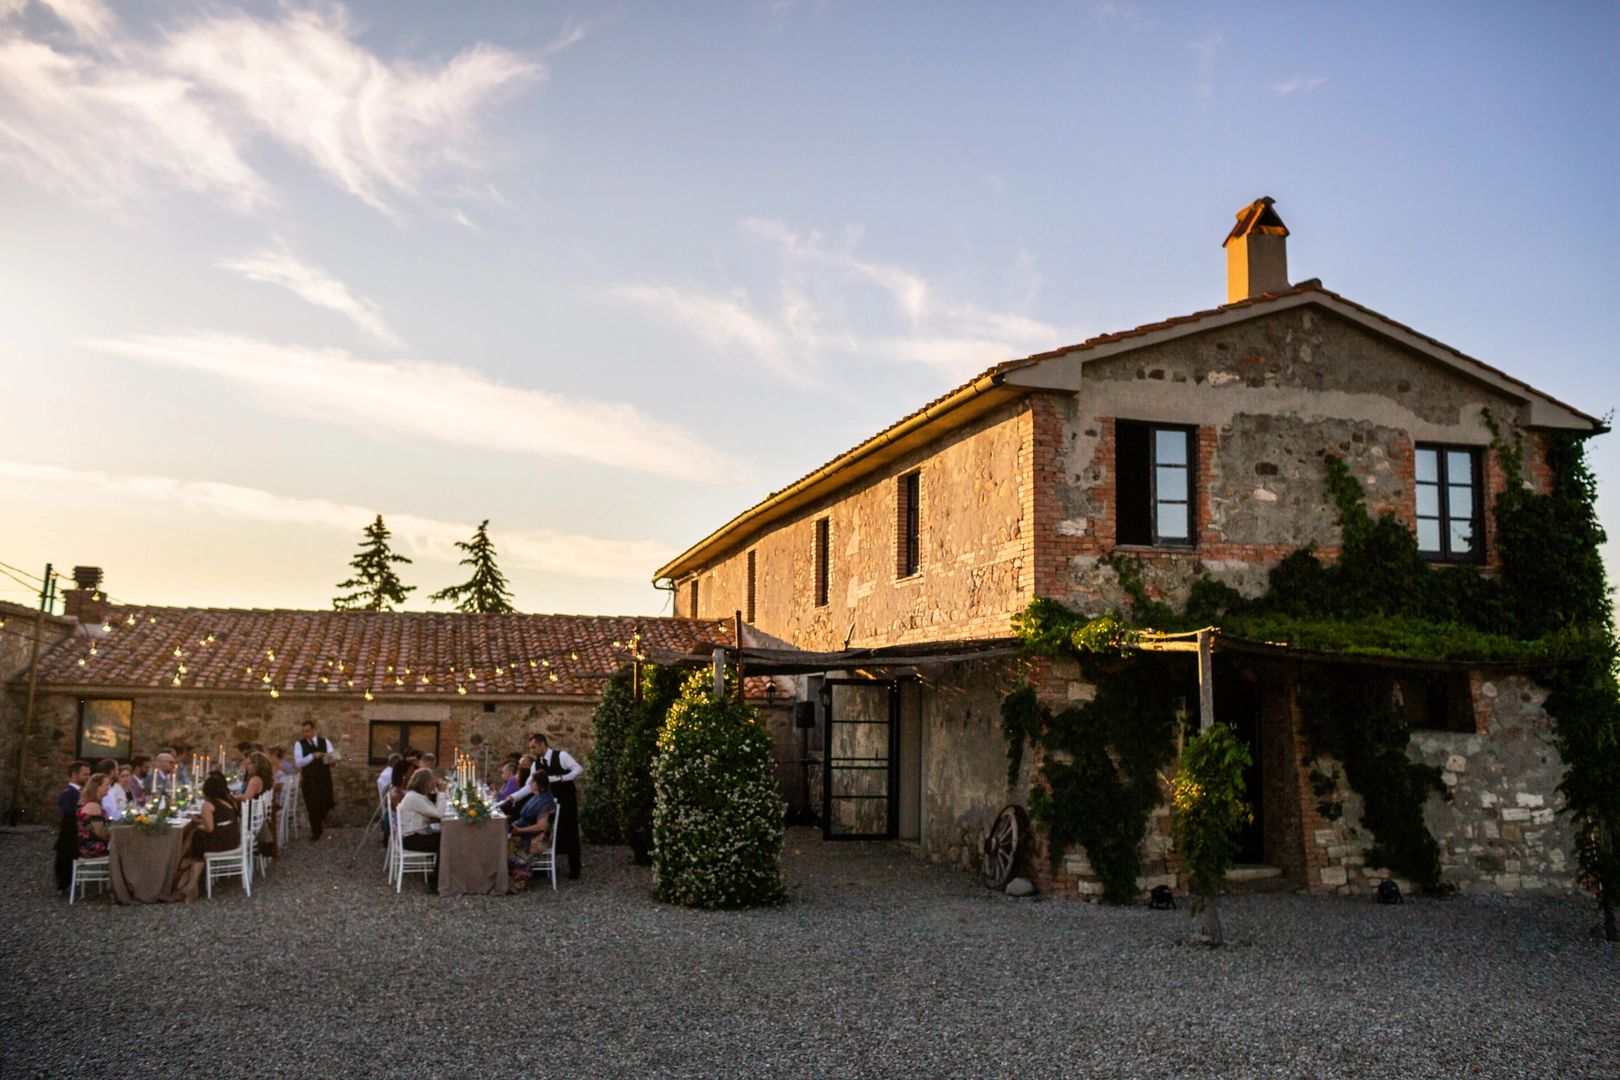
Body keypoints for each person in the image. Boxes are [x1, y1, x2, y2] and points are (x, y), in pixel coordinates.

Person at [530, 733, 583, 879]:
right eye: (530, 748)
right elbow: (530, 785)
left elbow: (578, 769)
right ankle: (543, 867)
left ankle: (575, 868)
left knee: (570, 832)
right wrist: (513, 797)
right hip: (547, 803)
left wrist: (562, 778)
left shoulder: (561, 756)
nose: (532, 751)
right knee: (546, 831)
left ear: (542, 744)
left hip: (567, 800)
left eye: (534, 747)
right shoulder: (536, 764)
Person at [396, 768, 444, 889]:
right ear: (424, 783)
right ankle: (436, 882)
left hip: (414, 835)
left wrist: (438, 793)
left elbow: (434, 810)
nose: (432, 786)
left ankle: (441, 876)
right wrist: (442, 792)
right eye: (431, 783)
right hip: (411, 839)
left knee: (445, 838)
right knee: (445, 841)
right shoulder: (415, 798)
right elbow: (439, 814)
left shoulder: (417, 796)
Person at [293, 722, 337, 840]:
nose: (305, 733)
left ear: (313, 730)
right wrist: (312, 756)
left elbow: (332, 757)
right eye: (303, 731)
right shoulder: (299, 744)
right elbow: (298, 763)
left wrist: (332, 760)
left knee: (326, 803)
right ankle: (316, 831)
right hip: (309, 780)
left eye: (307, 731)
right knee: (311, 805)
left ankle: (321, 820)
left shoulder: (325, 742)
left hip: (324, 778)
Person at [54, 760, 91, 891]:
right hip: (70, 836)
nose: (87, 778)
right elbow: (69, 814)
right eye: (85, 775)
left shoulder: (83, 791)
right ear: (75, 775)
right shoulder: (68, 793)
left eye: (88, 775)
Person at [76, 774, 111, 859]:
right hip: (90, 847)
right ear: (97, 787)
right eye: (106, 785)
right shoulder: (93, 806)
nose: (109, 788)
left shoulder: (89, 802)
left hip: (84, 845)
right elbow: (100, 833)